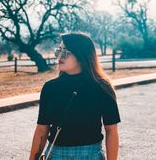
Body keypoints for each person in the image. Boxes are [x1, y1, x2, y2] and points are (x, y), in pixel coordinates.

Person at [29, 32, 121, 160]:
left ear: (82, 55)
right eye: (59, 51)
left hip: (90, 156)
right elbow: (42, 129)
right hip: (55, 155)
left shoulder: (102, 87)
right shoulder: (50, 87)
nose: (60, 56)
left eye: (65, 52)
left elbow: (111, 130)